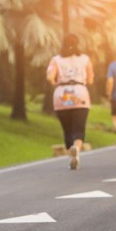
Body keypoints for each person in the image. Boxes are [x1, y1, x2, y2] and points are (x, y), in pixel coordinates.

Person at [46, 34, 94, 170]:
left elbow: (50, 76)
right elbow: (90, 79)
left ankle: (70, 155)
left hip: (62, 95)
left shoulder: (56, 60)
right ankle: (76, 148)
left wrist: (55, 82)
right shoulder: (85, 59)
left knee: (67, 129)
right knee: (79, 128)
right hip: (80, 94)